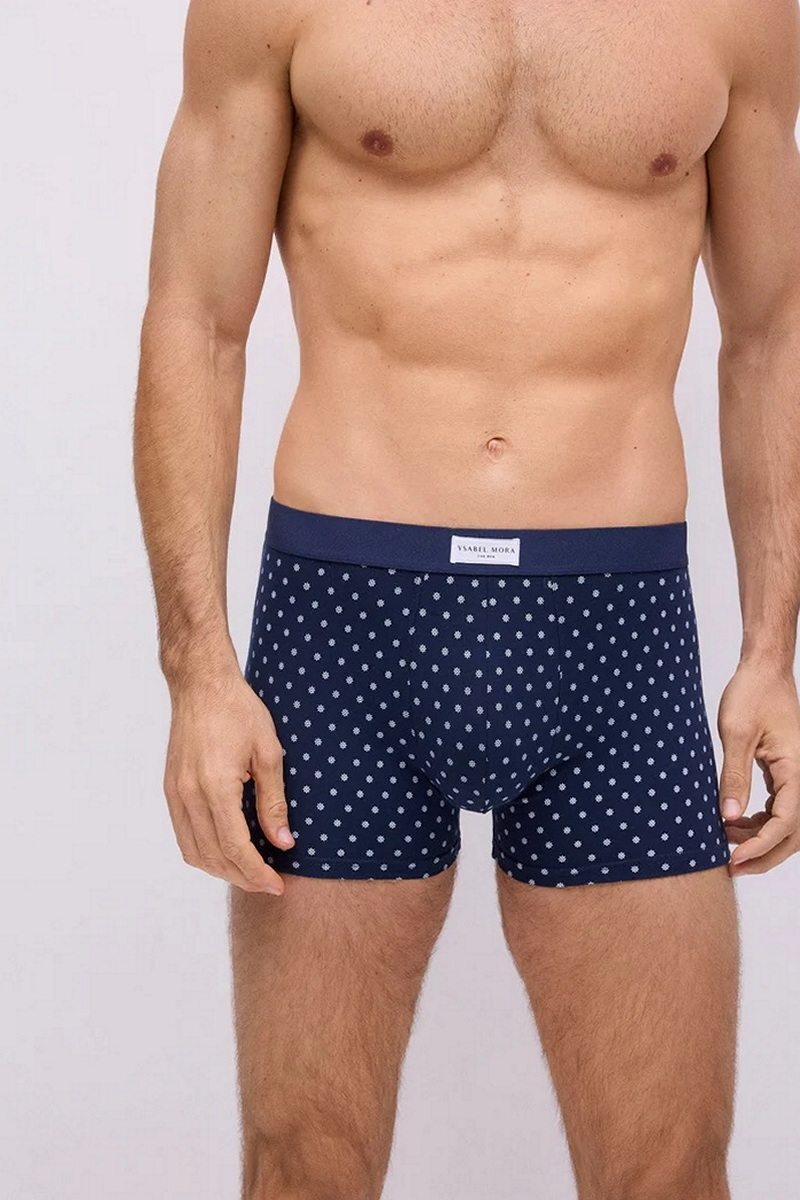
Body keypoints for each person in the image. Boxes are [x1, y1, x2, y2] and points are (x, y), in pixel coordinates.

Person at [134, 1, 800, 1196]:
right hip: (344, 634)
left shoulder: (739, 12)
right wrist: (197, 671)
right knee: (304, 1166)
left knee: (668, 1170)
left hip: (612, 640)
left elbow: (768, 332)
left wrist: (768, 653)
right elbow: (197, 316)